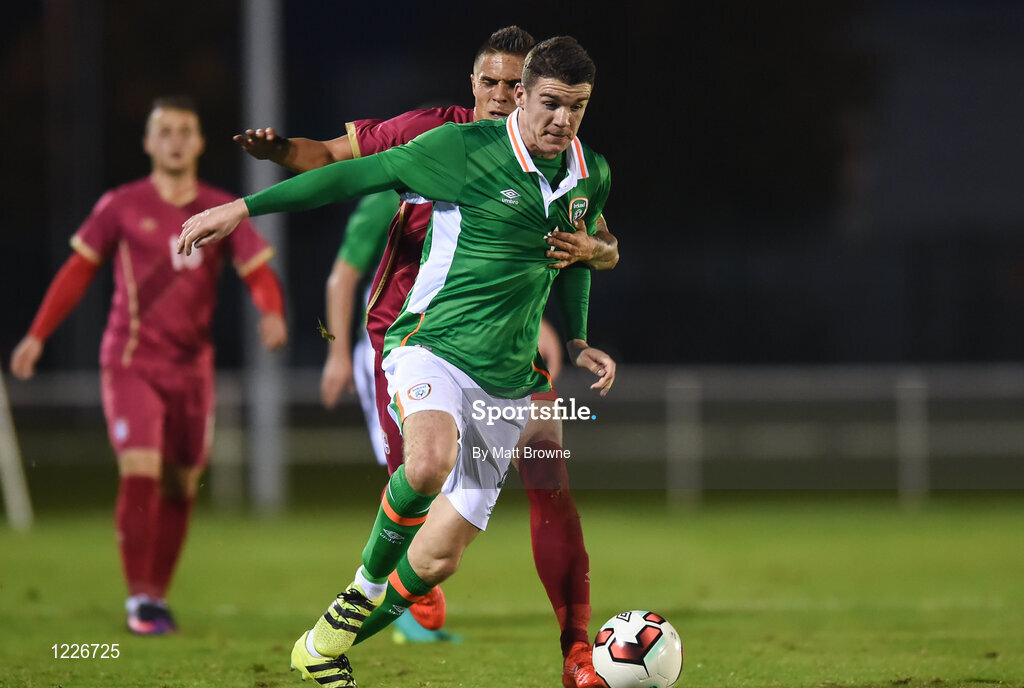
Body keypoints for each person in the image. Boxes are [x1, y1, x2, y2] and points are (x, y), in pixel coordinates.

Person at [178, 35, 613, 686]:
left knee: (439, 559)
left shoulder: (585, 170)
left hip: (509, 374)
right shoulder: (448, 145)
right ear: (499, 88)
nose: (560, 118)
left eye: (574, 106)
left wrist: (580, 326)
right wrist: (242, 206)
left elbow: (584, 244)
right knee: (427, 463)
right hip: (421, 341)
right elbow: (343, 171)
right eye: (545, 101)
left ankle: (323, 644)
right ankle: (370, 583)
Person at [10, 96, 288, 635]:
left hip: (192, 368)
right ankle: (139, 599)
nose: (176, 140)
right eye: (165, 131)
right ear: (148, 143)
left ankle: (156, 596)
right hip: (132, 360)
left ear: (201, 142)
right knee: (140, 467)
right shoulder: (120, 205)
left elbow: (257, 270)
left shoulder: (216, 206)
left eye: (186, 130)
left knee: (182, 483)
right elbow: (77, 271)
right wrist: (37, 336)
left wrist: (271, 312)